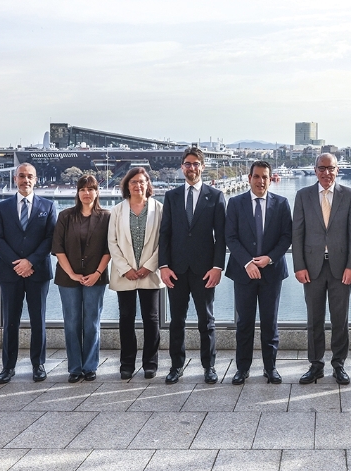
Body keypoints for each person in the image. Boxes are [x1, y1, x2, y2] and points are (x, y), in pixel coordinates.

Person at [292, 153, 351, 385]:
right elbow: (297, 234)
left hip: (341, 267)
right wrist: (299, 266)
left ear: (337, 170)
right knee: (314, 318)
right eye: (321, 168)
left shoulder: (349, 195)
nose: (326, 173)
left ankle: (339, 364)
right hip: (311, 267)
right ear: (315, 170)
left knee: (340, 318)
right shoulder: (303, 196)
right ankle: (315, 365)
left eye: (330, 168)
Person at [159, 146, 226, 384]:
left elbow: (221, 237)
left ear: (202, 167)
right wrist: (163, 266)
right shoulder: (172, 196)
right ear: (182, 167)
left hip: (204, 270)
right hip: (175, 270)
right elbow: (164, 234)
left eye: (196, 164)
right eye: (187, 164)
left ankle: (209, 366)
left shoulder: (215, 196)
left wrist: (218, 267)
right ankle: (176, 366)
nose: (191, 168)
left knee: (206, 321)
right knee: (176, 321)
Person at [225, 160, 292, 384]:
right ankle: (242, 369)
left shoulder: (282, 204)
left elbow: (286, 237)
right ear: (249, 178)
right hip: (243, 273)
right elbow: (230, 237)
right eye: (257, 176)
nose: (261, 181)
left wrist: (269, 258)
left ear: (270, 179)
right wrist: (248, 263)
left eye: (265, 177)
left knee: (269, 322)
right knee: (244, 322)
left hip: (272, 272)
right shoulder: (235, 203)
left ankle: (270, 368)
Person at [0, 162, 56, 384]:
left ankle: (38, 365)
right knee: (10, 321)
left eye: (30, 176)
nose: (25, 180)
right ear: (15, 179)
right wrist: (17, 263)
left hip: (38, 272)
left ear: (36, 179)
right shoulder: (2, 207)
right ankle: (8, 367)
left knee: (38, 320)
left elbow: (50, 238)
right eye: (21, 176)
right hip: (10, 273)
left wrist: (30, 262)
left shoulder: (48, 205)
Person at [52, 174, 111, 383]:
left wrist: (96, 273)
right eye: (82, 189)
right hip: (68, 278)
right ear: (77, 192)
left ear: (97, 192)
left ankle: (90, 366)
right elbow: (57, 248)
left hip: (96, 277)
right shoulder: (65, 216)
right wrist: (71, 274)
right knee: (72, 322)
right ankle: (75, 368)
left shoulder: (106, 217)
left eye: (91, 189)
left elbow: (109, 248)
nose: (87, 193)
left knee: (92, 322)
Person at [108, 167, 164, 380]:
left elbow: (164, 242)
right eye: (133, 182)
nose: (138, 185)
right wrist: (126, 269)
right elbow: (112, 242)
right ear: (127, 185)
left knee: (152, 319)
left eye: (142, 181)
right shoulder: (117, 211)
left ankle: (150, 363)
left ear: (147, 184)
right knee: (126, 318)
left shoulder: (159, 209)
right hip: (126, 274)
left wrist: (150, 266)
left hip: (150, 272)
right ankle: (127, 364)